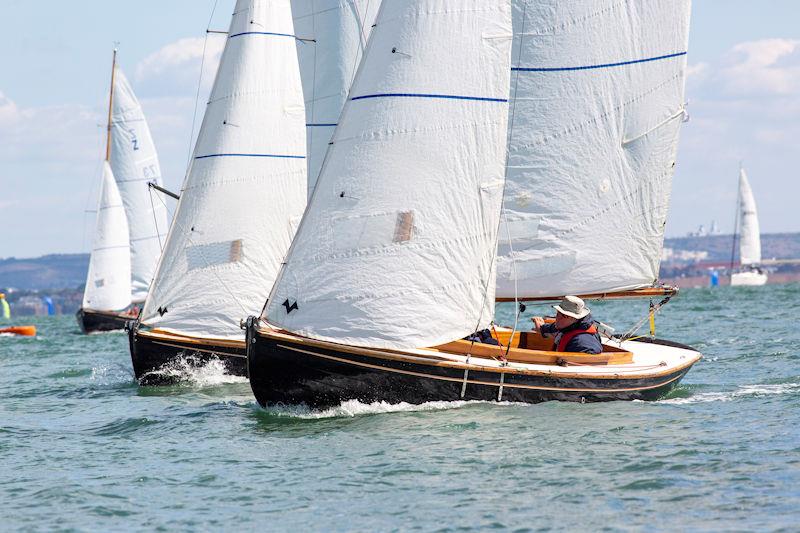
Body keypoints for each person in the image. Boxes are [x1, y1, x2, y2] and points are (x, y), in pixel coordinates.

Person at [531, 295, 602, 354]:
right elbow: (553, 329)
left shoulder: (582, 341)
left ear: (575, 318)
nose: (557, 318)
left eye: (563, 315)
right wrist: (542, 328)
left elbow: (592, 358)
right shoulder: (568, 326)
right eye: (558, 313)